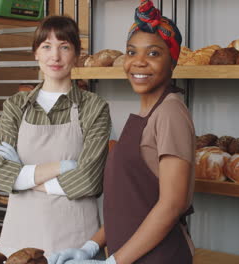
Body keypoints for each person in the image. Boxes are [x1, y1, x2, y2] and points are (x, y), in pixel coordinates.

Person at [48, 1, 195, 263]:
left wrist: (115, 262)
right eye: (131, 52)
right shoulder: (142, 114)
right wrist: (91, 246)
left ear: (172, 61)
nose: (138, 62)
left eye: (153, 54)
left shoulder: (170, 113)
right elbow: (129, 206)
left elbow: (171, 206)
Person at [0, 15, 111, 255]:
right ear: (35, 53)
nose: (55, 56)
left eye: (64, 47)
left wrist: (23, 177)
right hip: (20, 236)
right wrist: (63, 166)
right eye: (46, 47)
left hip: (74, 239)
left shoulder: (94, 107)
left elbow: (89, 180)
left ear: (76, 55)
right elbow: (1, 176)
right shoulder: (16, 105)